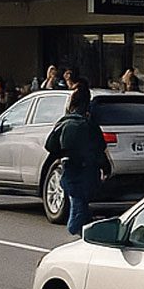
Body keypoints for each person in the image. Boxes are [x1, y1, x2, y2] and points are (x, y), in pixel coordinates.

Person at [46, 86, 108, 236]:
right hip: (89, 170)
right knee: (81, 204)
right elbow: (100, 148)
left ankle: (79, 231)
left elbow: (50, 146)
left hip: (72, 169)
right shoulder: (90, 125)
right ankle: (82, 232)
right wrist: (105, 167)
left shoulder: (64, 123)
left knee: (78, 204)